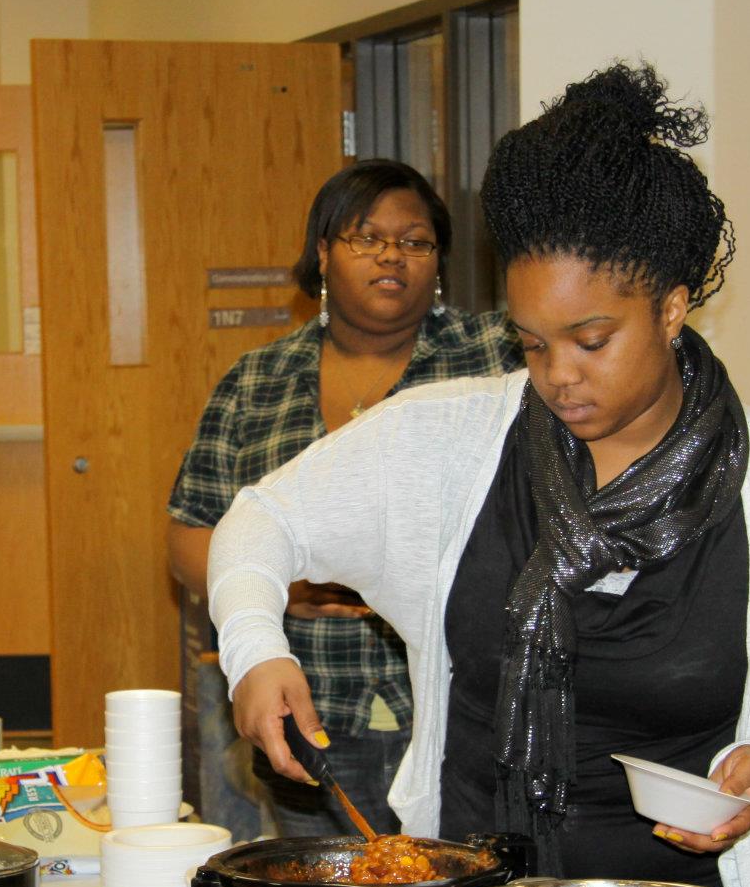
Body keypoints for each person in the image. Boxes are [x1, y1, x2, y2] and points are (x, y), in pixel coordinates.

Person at [210, 64, 750, 887]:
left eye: (590, 339)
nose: (557, 376)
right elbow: (259, 520)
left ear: (671, 305)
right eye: (530, 344)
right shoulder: (446, 445)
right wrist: (255, 647)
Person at [168, 160, 522, 839]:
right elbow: (189, 534)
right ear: (323, 252)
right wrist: (277, 583)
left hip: (465, 718)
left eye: (414, 240)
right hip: (309, 713)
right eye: (366, 236)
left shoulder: (494, 361)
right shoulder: (256, 382)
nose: (392, 255)